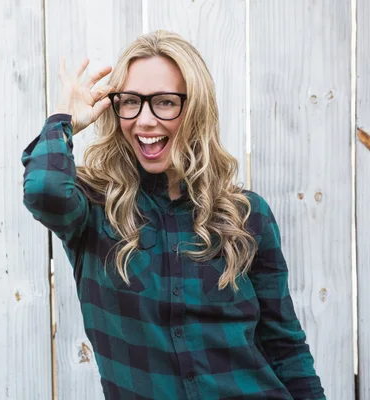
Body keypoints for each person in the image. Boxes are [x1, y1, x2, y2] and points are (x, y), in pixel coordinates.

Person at [21, 30, 325, 399]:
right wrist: (62, 120)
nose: (145, 121)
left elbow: (285, 347)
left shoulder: (247, 215)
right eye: (130, 101)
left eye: (164, 102)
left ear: (195, 108)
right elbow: (44, 190)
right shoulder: (95, 211)